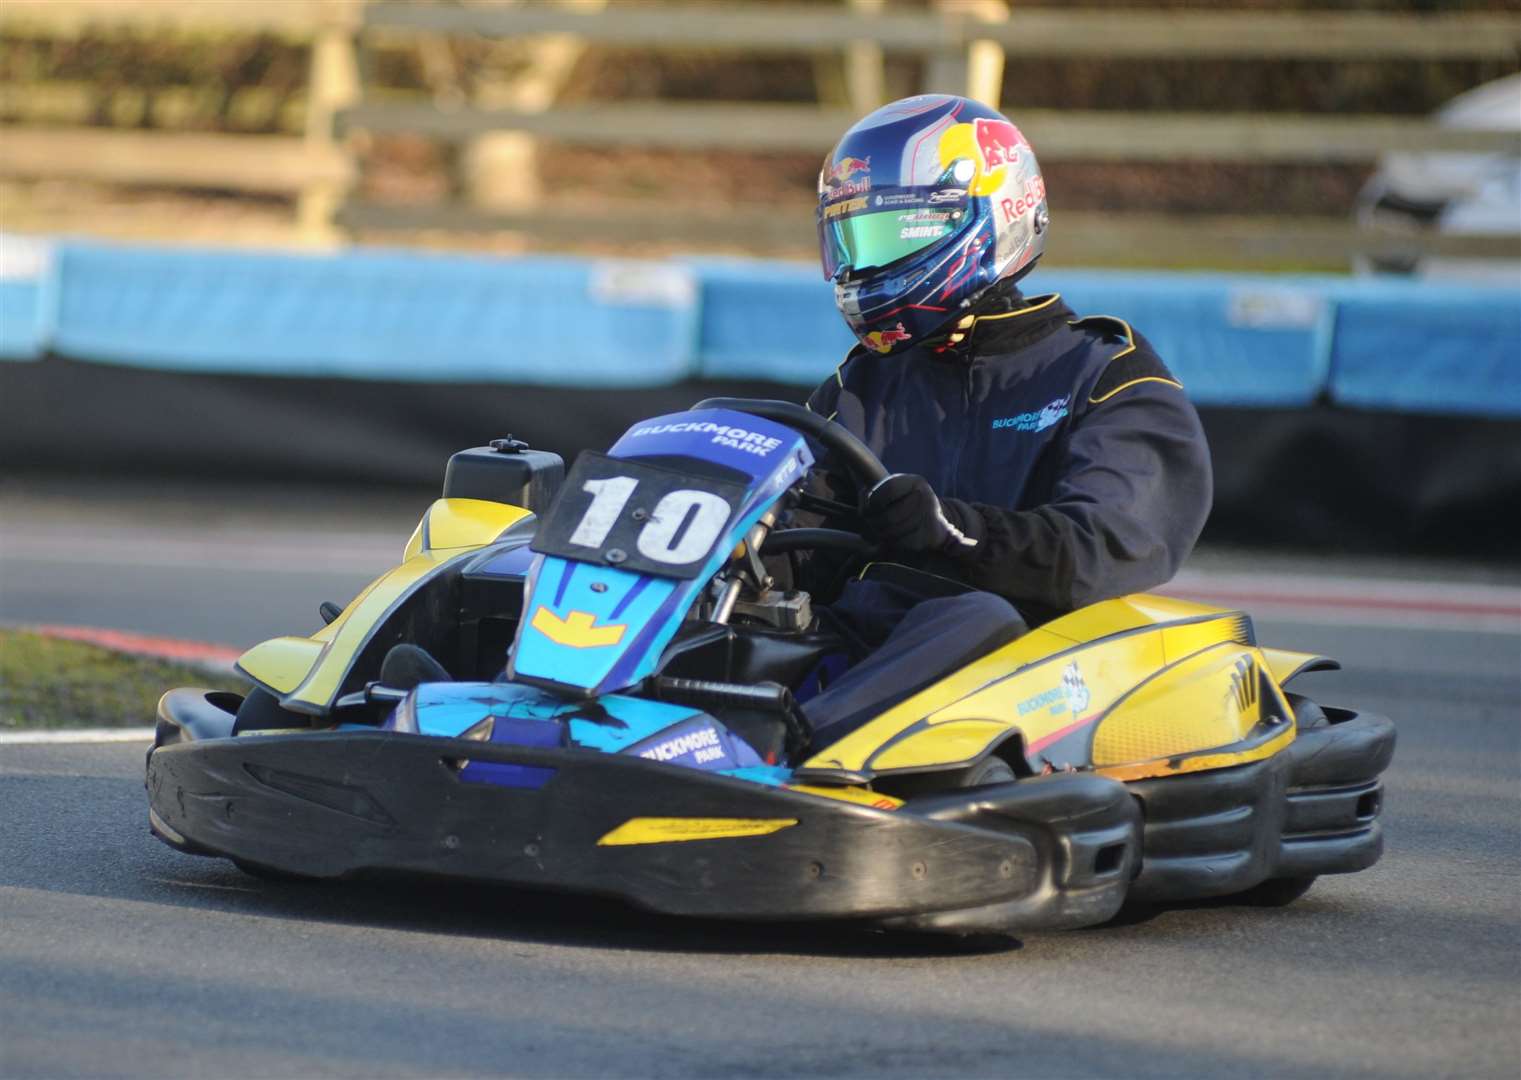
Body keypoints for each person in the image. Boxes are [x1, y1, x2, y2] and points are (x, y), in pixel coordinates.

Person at [796, 94, 1213, 748]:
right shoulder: (860, 385)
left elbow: (1112, 546)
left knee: (971, 615)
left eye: (887, 236)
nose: (862, 265)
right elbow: (803, 541)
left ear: (991, 215)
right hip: (870, 650)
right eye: (851, 239)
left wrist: (953, 530)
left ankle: (795, 756)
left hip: (1030, 667)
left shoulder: (1101, 370)